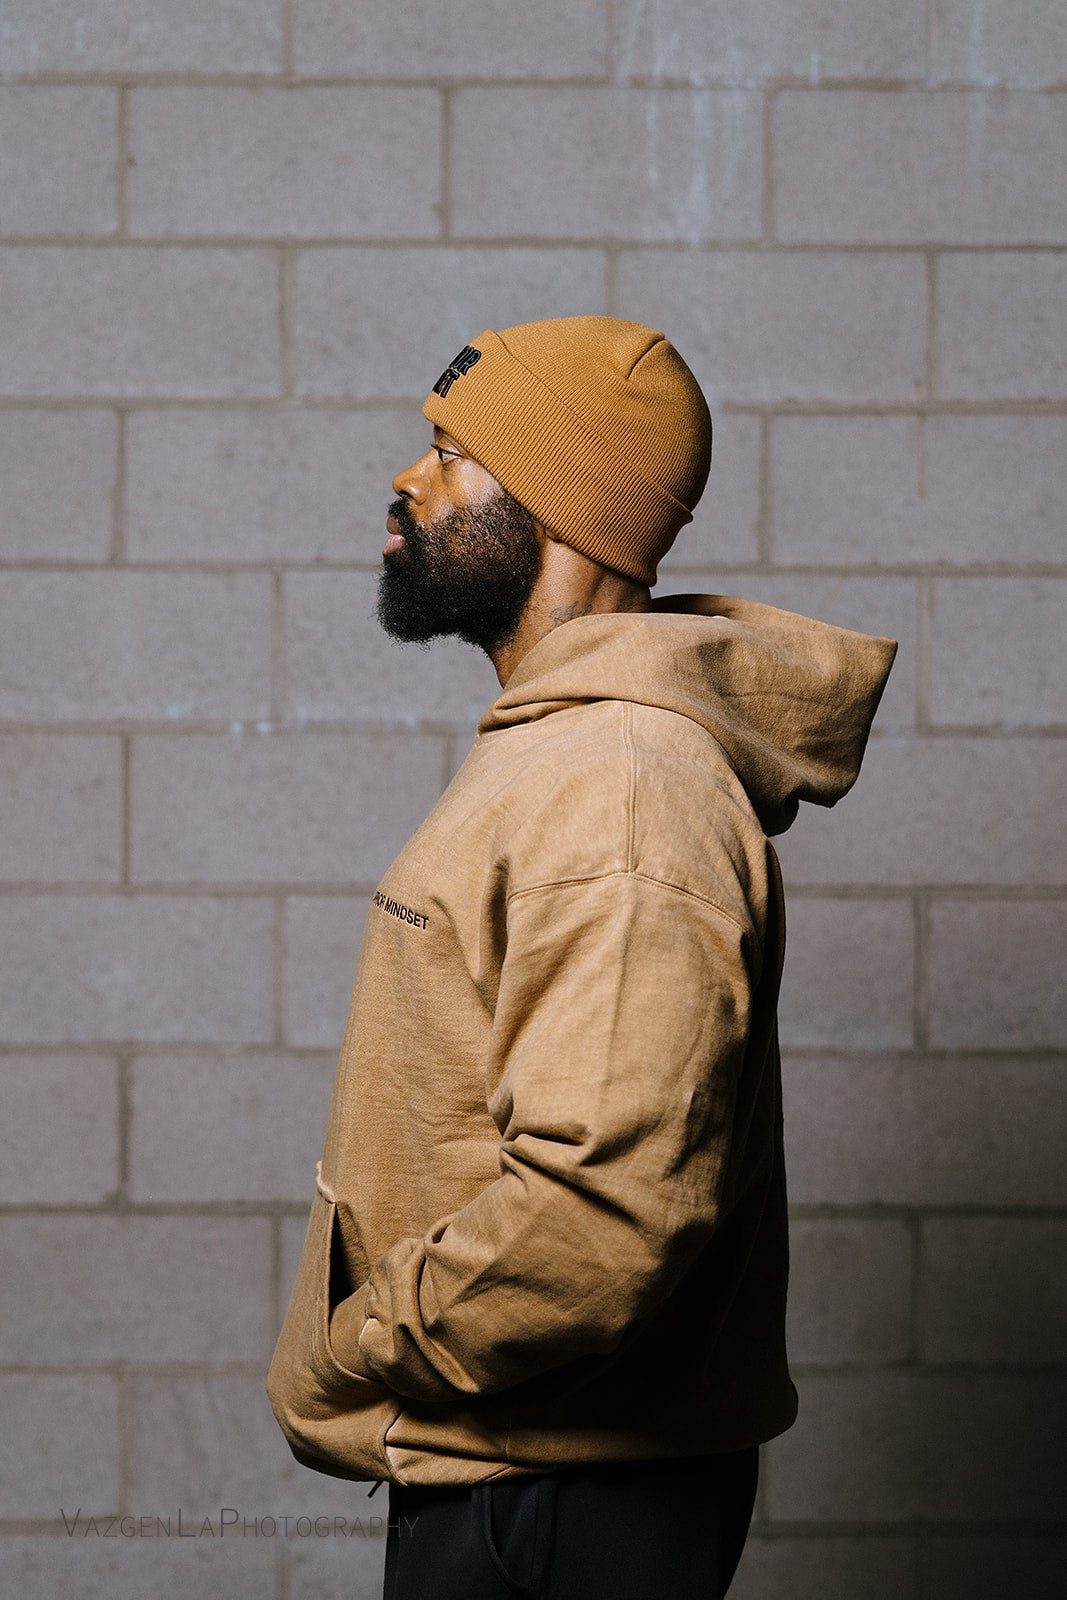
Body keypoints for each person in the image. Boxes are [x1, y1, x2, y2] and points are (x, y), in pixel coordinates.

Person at [266, 315, 897, 1599]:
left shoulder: (617, 783)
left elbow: (603, 1211)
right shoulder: (564, 751)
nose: (407, 477)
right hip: (515, 1472)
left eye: (453, 453)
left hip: (551, 1500)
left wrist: (360, 1341)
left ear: (563, 505)